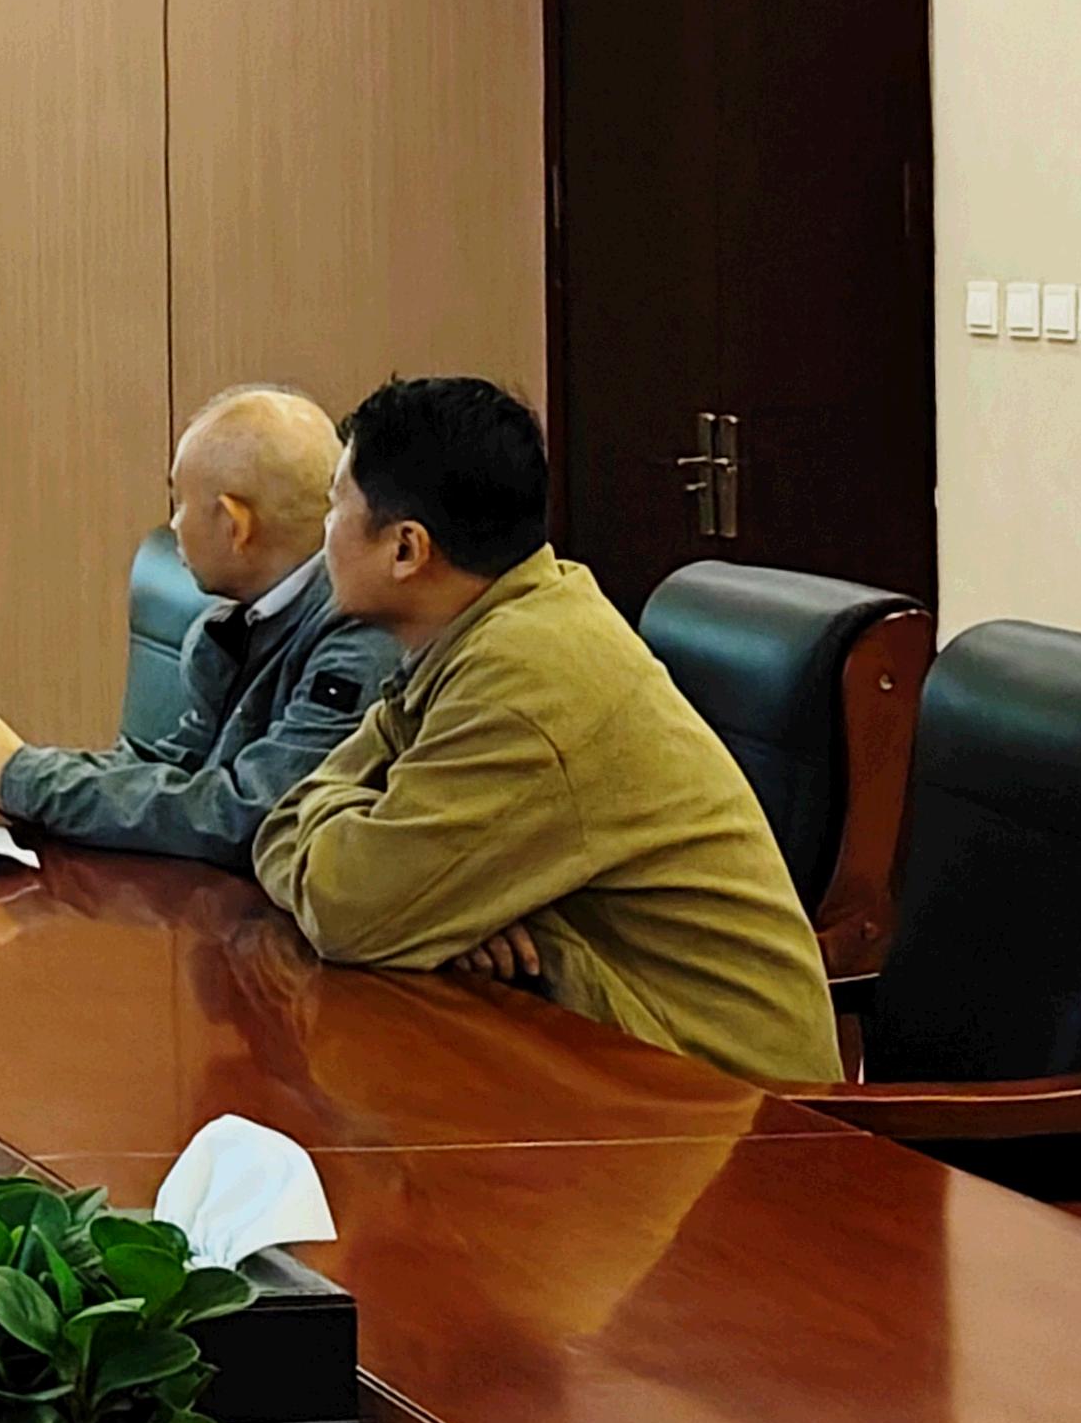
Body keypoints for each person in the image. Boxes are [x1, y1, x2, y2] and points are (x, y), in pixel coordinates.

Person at [253, 375, 839, 1089]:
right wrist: (437, 908)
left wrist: (420, 902)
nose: (323, 534)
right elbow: (283, 822)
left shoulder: (523, 679)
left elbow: (344, 909)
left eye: (333, 507)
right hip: (606, 1056)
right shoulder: (494, 624)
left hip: (735, 1109)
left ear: (406, 548)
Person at [0, 385, 402, 865]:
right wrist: (16, 770)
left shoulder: (359, 639)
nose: (174, 525)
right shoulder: (240, 623)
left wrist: (23, 777)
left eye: (180, 503)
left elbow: (247, 814)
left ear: (234, 524)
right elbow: (170, 767)